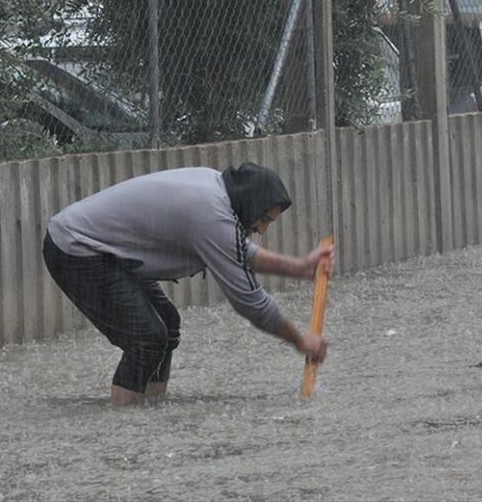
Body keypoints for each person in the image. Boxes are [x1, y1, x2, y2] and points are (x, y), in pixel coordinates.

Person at [42, 161, 333, 406]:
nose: (261, 229)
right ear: (251, 203)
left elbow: (239, 251)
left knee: (167, 324)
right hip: (75, 249)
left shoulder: (216, 190)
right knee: (146, 338)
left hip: (102, 250)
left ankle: (152, 411)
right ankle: (124, 431)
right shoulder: (210, 214)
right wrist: (300, 341)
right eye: (263, 218)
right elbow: (250, 303)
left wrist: (299, 268)